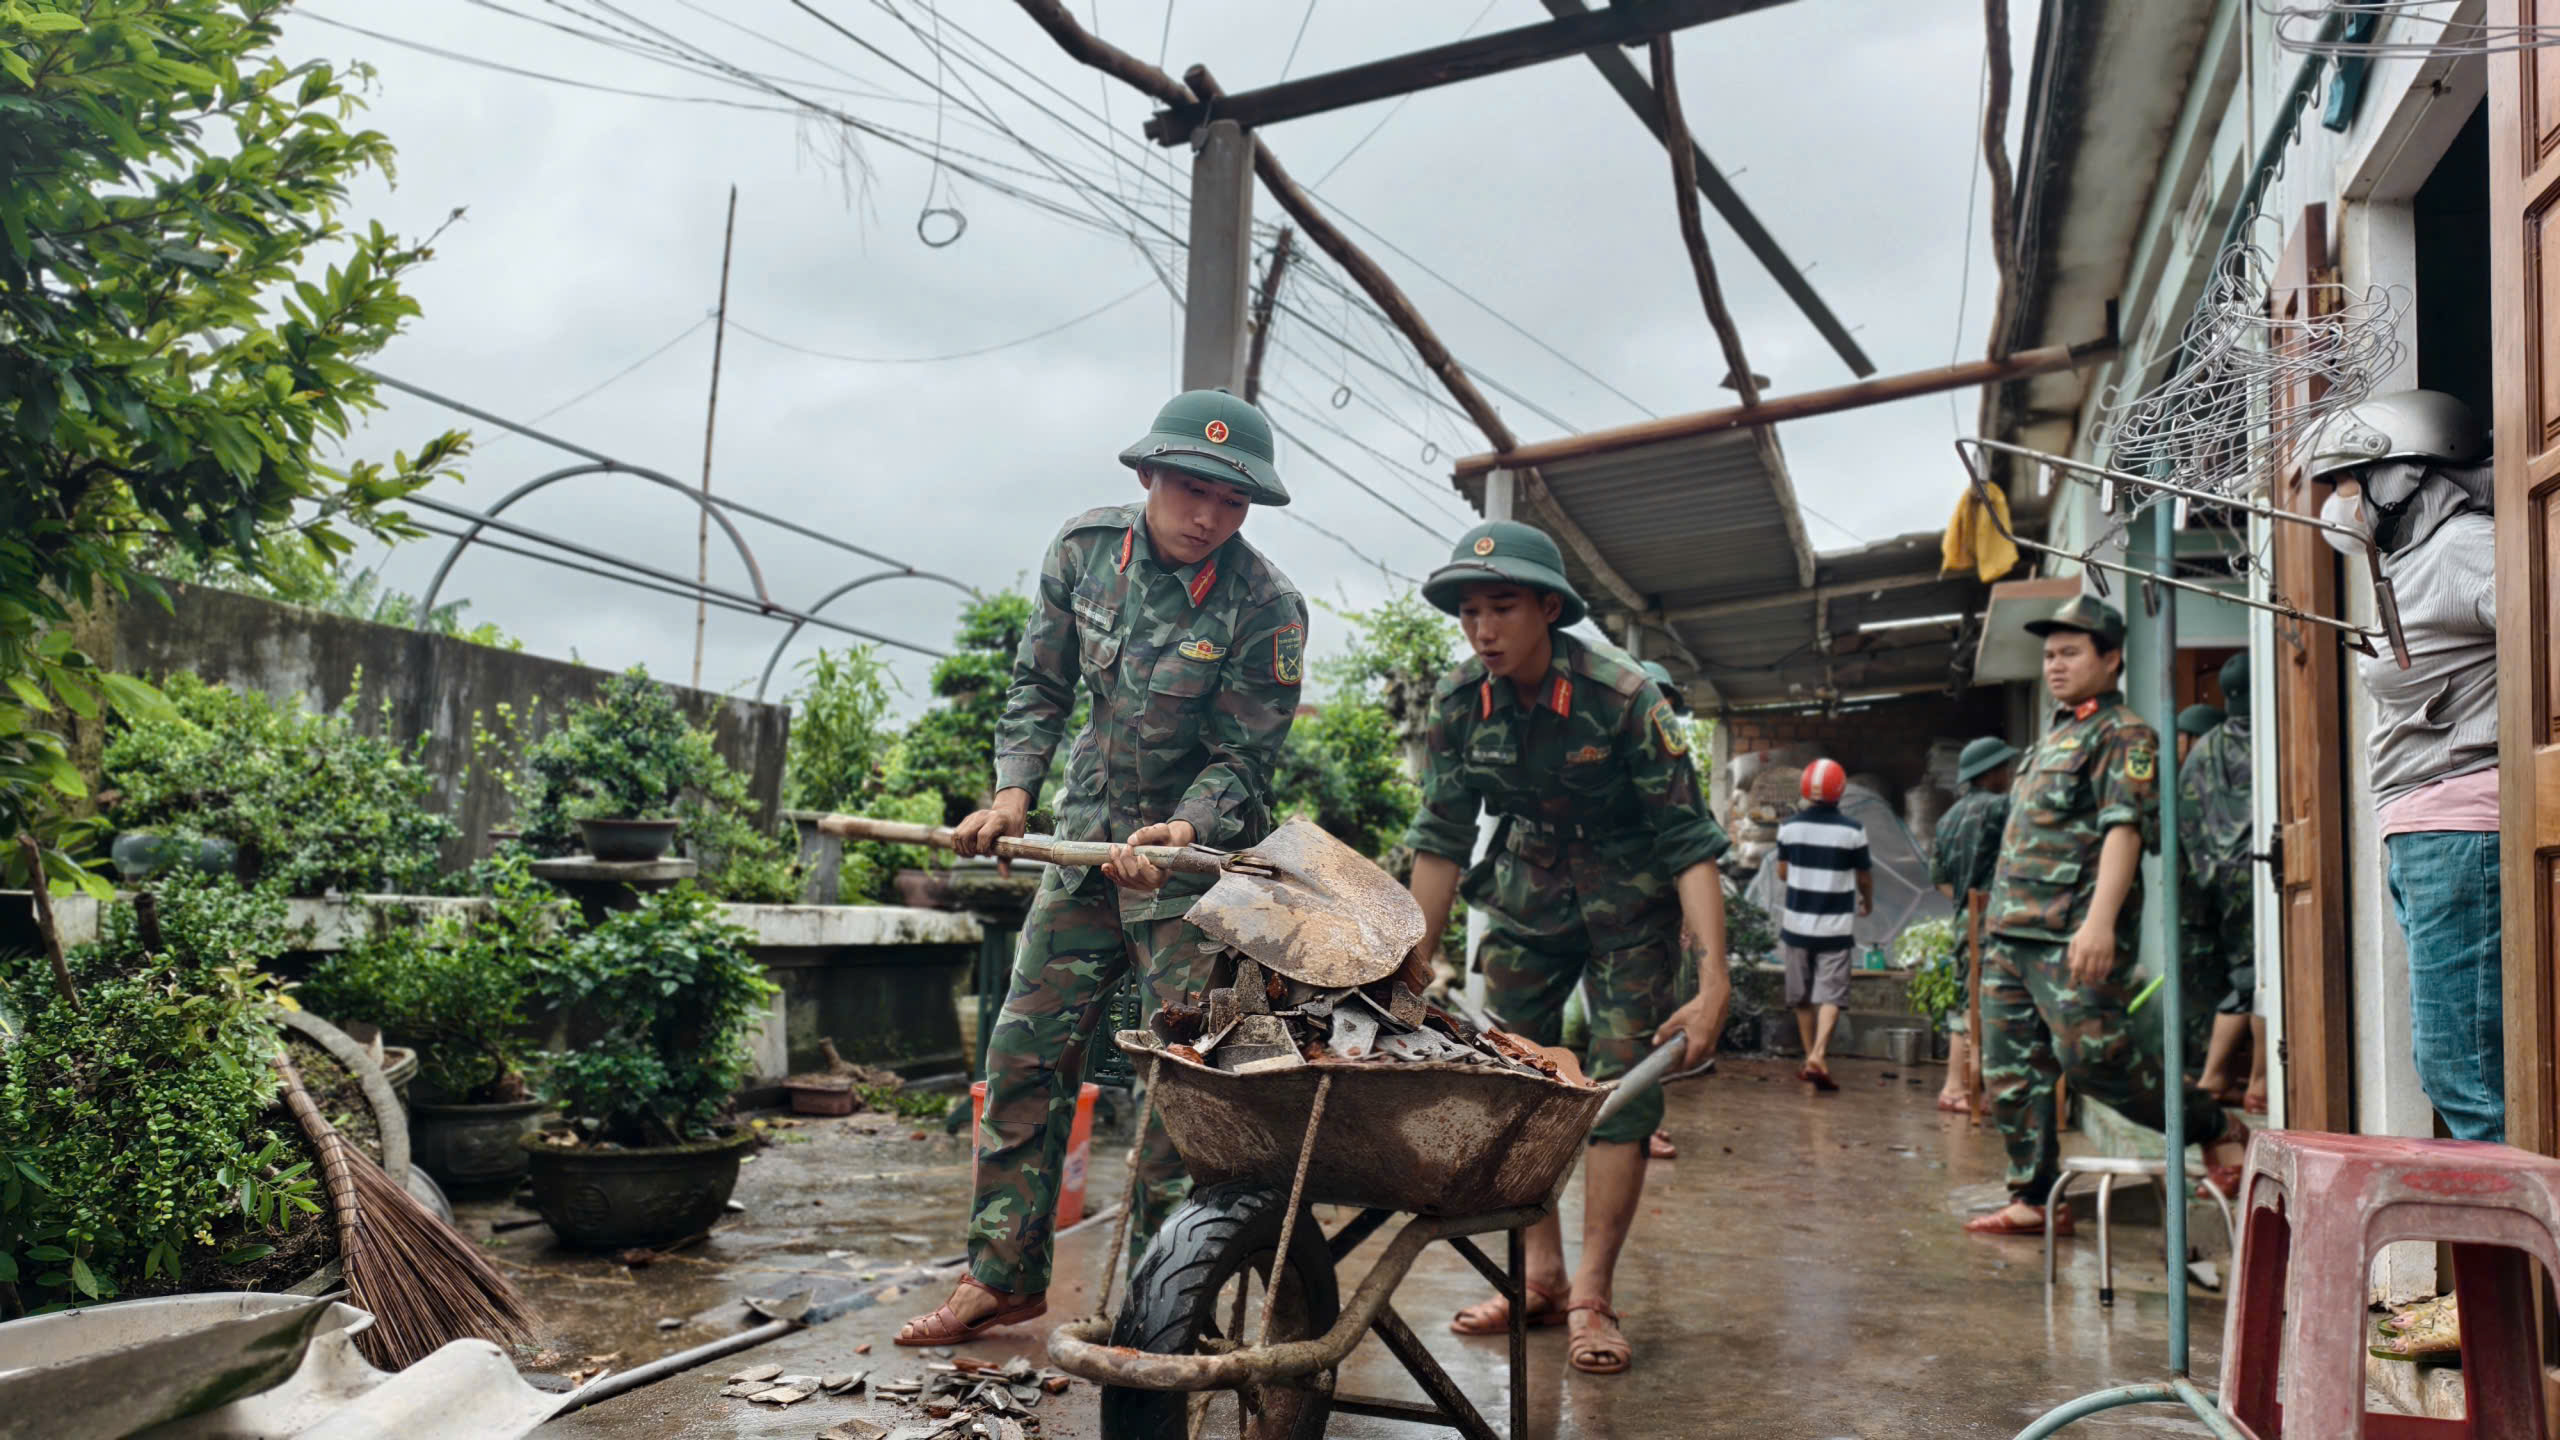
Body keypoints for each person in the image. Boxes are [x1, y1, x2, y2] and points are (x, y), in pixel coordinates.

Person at [896, 389, 1307, 1345]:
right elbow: (1038, 684)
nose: (1209, 515)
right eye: (1193, 489)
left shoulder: (1267, 607)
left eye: (1233, 502)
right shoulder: (1083, 551)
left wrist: (1180, 830)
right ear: (1147, 475)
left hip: (1189, 873)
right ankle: (1002, 1277)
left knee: (1181, 1093)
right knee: (1021, 1059)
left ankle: (1166, 1308)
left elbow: (1242, 761)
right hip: (1081, 849)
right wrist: (1009, 798)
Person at [1401, 519, 1731, 1376]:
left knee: (1619, 1093)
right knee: (1521, 1080)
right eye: (1469, 611)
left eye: (1502, 607)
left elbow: (1690, 840)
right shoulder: (1455, 702)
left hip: (1632, 905)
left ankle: (1593, 1295)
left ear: (1550, 607)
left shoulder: (1623, 695)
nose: (1483, 629)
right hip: (1526, 897)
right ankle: (1539, 1279)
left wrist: (1714, 980)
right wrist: (1406, 957)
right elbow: (1439, 841)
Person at [1964, 595, 2248, 1238]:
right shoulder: (2057, 735)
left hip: (2070, 934)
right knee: (2012, 1072)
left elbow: (2123, 832)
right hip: (2011, 933)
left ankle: (2211, 1123)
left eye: (2070, 652)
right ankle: (2034, 1197)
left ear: (2112, 657)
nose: (2055, 665)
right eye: (2049, 655)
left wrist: (2097, 924)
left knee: (2097, 1061)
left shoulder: (2124, 735)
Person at [2307, 390, 2503, 1142]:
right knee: (2460, 1068)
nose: (2335, 506)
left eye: (2346, 484)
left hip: (2463, 832)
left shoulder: (2463, 547)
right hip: (2429, 835)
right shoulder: (2410, 562)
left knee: (2468, 1076)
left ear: (2402, 478)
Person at [2179, 654, 2262, 1112]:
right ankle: (2242, 1082)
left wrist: (2206, 873)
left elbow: (2186, 819)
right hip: (2265, 871)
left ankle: (2234, 1080)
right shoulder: (2273, 734)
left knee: (2247, 974)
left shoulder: (2203, 750)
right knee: (2260, 980)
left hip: (2219, 882)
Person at [1638, 658, 1707, 1161]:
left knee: (1653, 1023)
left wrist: (1689, 917)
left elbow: (1688, 849)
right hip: (1619, 922)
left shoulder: (1670, 763)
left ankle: (1643, 1122)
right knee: (1635, 1027)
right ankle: (1639, 1125)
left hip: (1657, 917)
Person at [1930, 735, 2017, 1111]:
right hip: (1996, 918)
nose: (2010, 773)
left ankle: (1959, 1086)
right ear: (1992, 772)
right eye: (2005, 767)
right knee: (1984, 1004)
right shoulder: (2002, 808)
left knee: (1968, 999)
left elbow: (1938, 877)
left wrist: (1967, 904)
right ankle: (1963, 1088)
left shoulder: (1947, 818)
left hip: (1966, 916)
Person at [1777, 759, 1871, 1091]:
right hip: (1835, 926)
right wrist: (1867, 901)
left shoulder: (1788, 827)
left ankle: (1810, 1057)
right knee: (1831, 994)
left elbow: (1783, 872)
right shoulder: (1853, 830)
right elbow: (1863, 876)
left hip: (1797, 923)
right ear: (1840, 790)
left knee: (1801, 996)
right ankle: (1819, 1055)